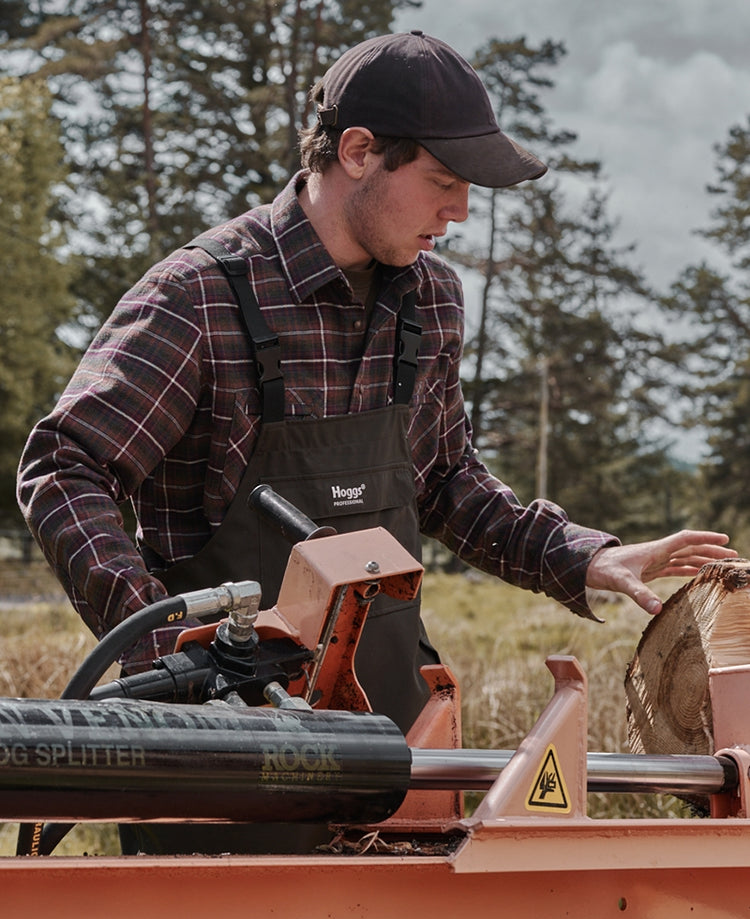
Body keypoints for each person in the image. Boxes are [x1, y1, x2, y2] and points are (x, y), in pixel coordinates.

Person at [17, 31, 734, 850]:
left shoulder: (431, 299)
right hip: (220, 763)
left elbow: (446, 482)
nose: (460, 210)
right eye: (443, 181)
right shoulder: (200, 298)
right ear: (358, 151)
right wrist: (164, 648)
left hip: (398, 758)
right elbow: (63, 466)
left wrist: (585, 557)